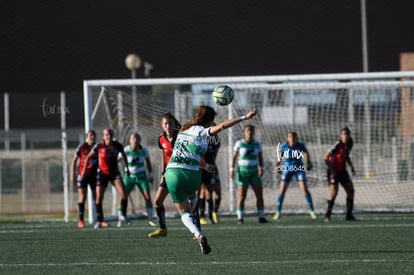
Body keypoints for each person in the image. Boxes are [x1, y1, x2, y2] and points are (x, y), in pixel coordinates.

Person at [165, 105, 258, 254]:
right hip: (192, 176)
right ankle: (196, 215)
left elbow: (186, 155)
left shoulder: (183, 131)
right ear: (208, 120)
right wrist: (244, 117)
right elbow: (222, 126)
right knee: (192, 196)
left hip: (172, 174)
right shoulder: (201, 131)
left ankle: (198, 234)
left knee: (184, 212)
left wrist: (205, 165)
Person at [81, 128, 130, 228]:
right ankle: (100, 220)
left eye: (110, 134)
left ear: (113, 135)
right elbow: (88, 157)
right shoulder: (99, 146)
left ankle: (122, 215)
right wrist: (83, 171)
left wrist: (127, 168)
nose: (108, 136)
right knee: (99, 198)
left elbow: (124, 156)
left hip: (114, 173)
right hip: (102, 173)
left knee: (124, 194)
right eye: (106, 135)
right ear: (103, 136)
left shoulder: (117, 145)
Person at [148, 112, 181, 238]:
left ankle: (197, 230)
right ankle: (163, 228)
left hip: (181, 173)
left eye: (170, 123)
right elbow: (164, 156)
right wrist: (163, 173)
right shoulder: (161, 139)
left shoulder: (181, 137)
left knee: (185, 204)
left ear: (174, 124)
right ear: (162, 125)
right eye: (165, 123)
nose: (168, 126)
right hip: (168, 174)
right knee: (157, 201)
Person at [273, 131, 316, 220]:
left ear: (297, 138)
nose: (292, 138)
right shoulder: (284, 146)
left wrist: (308, 162)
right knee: (282, 191)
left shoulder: (300, 145)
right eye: (290, 137)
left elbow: (306, 152)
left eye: (294, 137)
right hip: (287, 169)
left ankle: (312, 211)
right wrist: (277, 166)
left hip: (298, 169)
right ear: (287, 138)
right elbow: (279, 157)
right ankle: (278, 212)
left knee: (304, 189)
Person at [230, 124, 268, 224]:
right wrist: (231, 169)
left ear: (254, 132)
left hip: (254, 173)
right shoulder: (239, 143)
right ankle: (240, 218)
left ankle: (261, 217)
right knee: (242, 196)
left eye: (251, 130)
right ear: (244, 132)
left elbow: (260, 157)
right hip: (243, 173)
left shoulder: (257, 144)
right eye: (247, 130)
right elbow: (234, 157)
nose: (249, 132)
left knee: (259, 195)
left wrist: (262, 168)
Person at [119, 132, 156, 226]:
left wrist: (151, 175)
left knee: (147, 196)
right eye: (133, 138)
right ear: (129, 140)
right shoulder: (125, 150)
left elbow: (148, 163)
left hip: (141, 177)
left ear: (140, 140)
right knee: (123, 196)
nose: (135, 140)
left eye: (137, 138)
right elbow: (117, 160)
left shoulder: (144, 150)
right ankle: (121, 217)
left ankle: (150, 218)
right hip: (129, 177)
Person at [324, 127, 357, 222]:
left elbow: (346, 157)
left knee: (351, 190)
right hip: (333, 171)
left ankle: (349, 215)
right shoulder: (337, 145)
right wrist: (331, 170)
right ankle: (327, 215)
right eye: (343, 134)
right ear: (340, 135)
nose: (345, 136)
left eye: (347, 134)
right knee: (334, 192)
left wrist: (352, 167)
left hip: (342, 171)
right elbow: (326, 156)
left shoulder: (349, 144)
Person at [70, 130, 98, 228]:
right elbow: (74, 160)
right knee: (82, 196)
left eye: (93, 136)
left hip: (94, 175)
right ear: (87, 137)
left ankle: (99, 218)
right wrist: (72, 175)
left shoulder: (97, 147)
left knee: (97, 197)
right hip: (82, 175)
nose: (92, 137)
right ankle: (81, 220)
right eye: (90, 136)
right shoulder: (82, 147)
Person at [199, 134, 222, 225]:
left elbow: (214, 154)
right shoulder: (199, 139)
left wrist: (211, 165)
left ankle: (211, 215)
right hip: (200, 168)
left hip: (210, 169)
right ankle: (200, 216)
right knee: (200, 192)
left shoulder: (215, 142)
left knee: (209, 193)